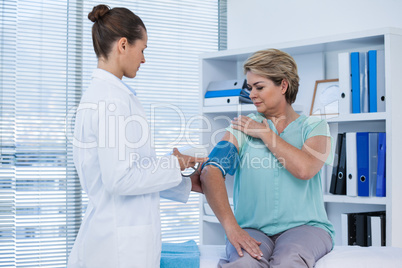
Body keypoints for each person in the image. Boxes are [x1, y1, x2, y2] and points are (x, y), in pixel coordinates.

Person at [67, 5, 207, 268]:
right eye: (142, 50)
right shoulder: (110, 100)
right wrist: (176, 164)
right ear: (123, 45)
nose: (143, 59)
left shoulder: (109, 95)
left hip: (119, 237)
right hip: (116, 248)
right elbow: (120, 179)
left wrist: (186, 184)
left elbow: (133, 172)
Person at [200, 48, 335, 268]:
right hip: (253, 229)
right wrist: (231, 228)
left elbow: (305, 169)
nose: (251, 94)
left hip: (306, 228)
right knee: (244, 264)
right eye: (250, 87)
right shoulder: (241, 127)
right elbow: (211, 171)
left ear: (283, 85)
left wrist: (264, 134)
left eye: (259, 87)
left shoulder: (315, 127)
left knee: (288, 261)